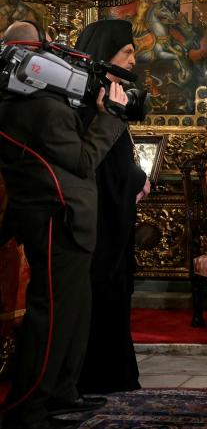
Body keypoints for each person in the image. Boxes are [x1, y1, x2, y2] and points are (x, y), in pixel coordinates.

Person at [0, 21, 128, 429]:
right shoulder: (32, 107)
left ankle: (60, 391)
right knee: (51, 315)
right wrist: (110, 118)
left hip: (68, 217)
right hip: (56, 217)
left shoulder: (42, 103)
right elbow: (84, 160)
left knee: (74, 310)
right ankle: (29, 405)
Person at [73, 20, 150, 394]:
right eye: (127, 52)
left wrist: (137, 177)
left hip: (115, 213)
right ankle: (97, 376)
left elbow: (121, 156)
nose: (134, 59)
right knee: (100, 294)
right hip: (98, 217)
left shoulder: (112, 93)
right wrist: (133, 180)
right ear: (106, 55)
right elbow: (93, 163)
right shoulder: (90, 99)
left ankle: (115, 376)